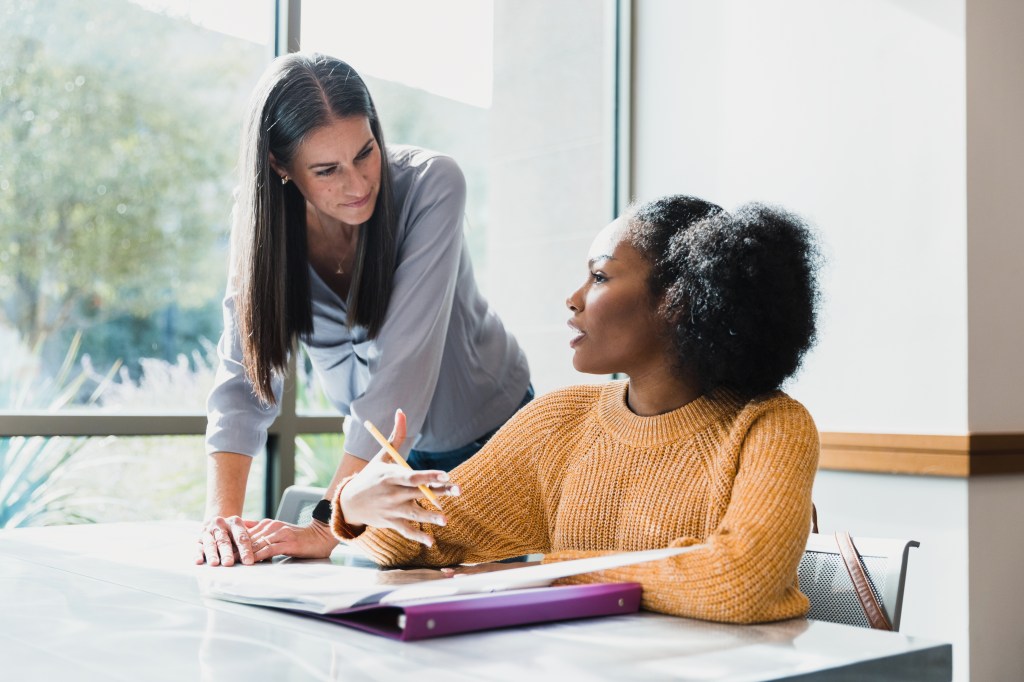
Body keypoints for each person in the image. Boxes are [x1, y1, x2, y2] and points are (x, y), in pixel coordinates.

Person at [326, 194, 823, 624]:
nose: (573, 299)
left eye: (600, 276)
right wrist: (353, 505)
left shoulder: (770, 426)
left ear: (676, 300)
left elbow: (741, 580)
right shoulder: (559, 423)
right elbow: (416, 543)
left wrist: (552, 573)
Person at [197, 53, 531, 567]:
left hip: (495, 442)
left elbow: (401, 372)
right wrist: (223, 525)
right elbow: (244, 375)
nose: (357, 185)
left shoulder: (432, 185)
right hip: (377, 465)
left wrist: (328, 521)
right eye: (327, 170)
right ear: (280, 167)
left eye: (365, 152)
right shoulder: (263, 221)